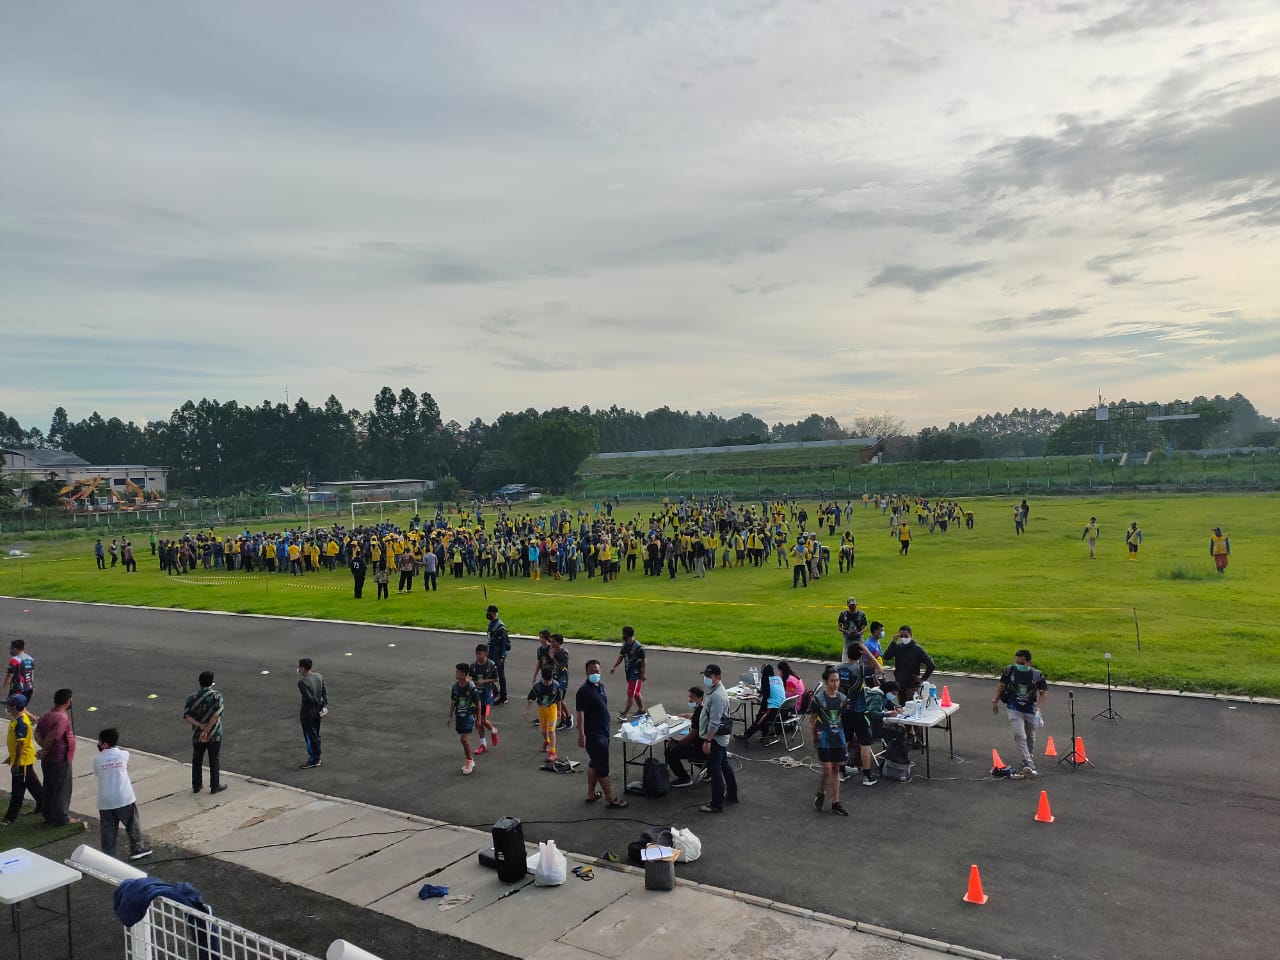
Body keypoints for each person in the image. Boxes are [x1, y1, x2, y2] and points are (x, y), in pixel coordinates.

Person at [93, 728, 151, 861]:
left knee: (108, 830)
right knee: (132, 824)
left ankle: (108, 855)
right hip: (124, 797)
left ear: (104, 744)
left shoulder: (97, 759)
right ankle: (137, 848)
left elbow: (97, 773)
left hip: (105, 800)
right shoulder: (124, 754)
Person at [575, 660, 626, 808]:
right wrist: (581, 734)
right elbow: (580, 714)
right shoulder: (583, 691)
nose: (595, 674)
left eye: (597, 671)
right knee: (602, 767)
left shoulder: (600, 686)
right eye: (592, 672)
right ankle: (610, 799)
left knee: (594, 763)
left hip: (603, 731)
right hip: (594, 736)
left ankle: (590, 793)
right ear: (586, 673)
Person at [992, 649, 1047, 777]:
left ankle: (1027, 756)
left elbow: (1043, 693)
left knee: (1030, 736)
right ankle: (1029, 764)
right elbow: (1002, 685)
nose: (1018, 666)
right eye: (1017, 662)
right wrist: (995, 700)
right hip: (1014, 708)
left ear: (1029, 663)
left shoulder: (1037, 675)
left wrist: (1039, 709)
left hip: (1030, 709)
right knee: (1019, 735)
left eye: (1021, 663)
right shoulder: (1009, 670)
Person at [35, 687, 83, 826]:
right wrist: (45, 749)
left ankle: (48, 814)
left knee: (49, 787)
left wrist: (43, 748)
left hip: (49, 759)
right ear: (68, 701)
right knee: (61, 789)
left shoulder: (46, 715)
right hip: (60, 759)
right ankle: (61, 817)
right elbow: (55, 736)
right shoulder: (62, 718)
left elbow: (37, 733)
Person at [837, 643, 880, 786]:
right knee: (864, 743)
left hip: (844, 710)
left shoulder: (837, 668)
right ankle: (867, 775)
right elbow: (879, 669)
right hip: (860, 710)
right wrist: (867, 652)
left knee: (845, 740)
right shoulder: (861, 669)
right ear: (860, 654)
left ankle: (841, 771)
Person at [697, 664, 739, 814]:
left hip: (715, 738)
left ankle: (716, 804)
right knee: (724, 766)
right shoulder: (715, 691)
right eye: (706, 675)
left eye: (710, 676)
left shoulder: (717, 696)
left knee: (715, 770)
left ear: (718, 677)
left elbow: (714, 722)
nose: (707, 678)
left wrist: (708, 741)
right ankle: (732, 794)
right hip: (717, 737)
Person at [809, 667, 849, 816]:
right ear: (826, 682)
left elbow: (843, 718)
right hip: (824, 738)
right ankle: (821, 792)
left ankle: (836, 802)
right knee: (826, 770)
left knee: (836, 770)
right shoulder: (818, 700)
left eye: (837, 680)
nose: (835, 683)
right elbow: (812, 720)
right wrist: (814, 736)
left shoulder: (843, 699)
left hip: (838, 738)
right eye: (832, 681)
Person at [882, 626, 935, 728]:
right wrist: (893, 643)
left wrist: (922, 678)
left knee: (915, 713)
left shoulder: (917, 649)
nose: (903, 638)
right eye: (901, 636)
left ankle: (917, 737)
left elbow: (931, 665)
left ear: (911, 635)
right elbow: (886, 656)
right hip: (900, 685)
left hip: (912, 686)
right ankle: (909, 735)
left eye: (906, 636)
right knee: (903, 713)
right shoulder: (898, 647)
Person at [183, 671, 226, 795]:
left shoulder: (192, 697)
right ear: (211, 681)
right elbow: (215, 716)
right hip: (214, 733)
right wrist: (207, 730)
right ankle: (214, 785)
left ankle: (196, 785)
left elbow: (187, 716)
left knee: (197, 759)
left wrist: (200, 726)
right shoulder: (216, 696)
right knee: (214, 760)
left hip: (197, 733)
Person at [3, 694, 42, 825]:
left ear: (14, 707)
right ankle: (44, 804)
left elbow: (20, 745)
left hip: (22, 762)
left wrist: (16, 762)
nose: (6, 707)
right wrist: (11, 757)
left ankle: (9, 818)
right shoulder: (18, 719)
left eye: (8, 705)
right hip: (23, 760)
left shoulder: (21, 723)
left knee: (17, 791)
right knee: (33, 785)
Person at [665, 686, 705, 787]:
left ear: (700, 699)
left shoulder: (698, 714)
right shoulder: (703, 710)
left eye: (692, 698)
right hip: (705, 745)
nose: (689, 699)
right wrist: (687, 715)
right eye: (689, 697)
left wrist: (677, 743)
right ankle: (707, 770)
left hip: (699, 748)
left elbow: (692, 736)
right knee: (680, 740)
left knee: (670, 751)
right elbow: (695, 716)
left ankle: (684, 778)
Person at [737, 664, 785, 744]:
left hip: (773, 708)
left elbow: (766, 695)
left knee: (759, 719)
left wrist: (761, 707)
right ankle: (765, 735)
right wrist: (757, 689)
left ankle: (746, 735)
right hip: (782, 707)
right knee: (761, 716)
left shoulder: (765, 679)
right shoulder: (778, 679)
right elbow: (769, 690)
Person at [448, 663, 480, 775]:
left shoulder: (471, 687)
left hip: (468, 716)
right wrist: (450, 715)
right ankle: (469, 759)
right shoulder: (455, 687)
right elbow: (453, 701)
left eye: (458, 672)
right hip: (459, 715)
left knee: (464, 739)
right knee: (462, 738)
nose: (456, 674)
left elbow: (478, 703)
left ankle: (469, 760)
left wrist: (478, 718)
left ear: (464, 674)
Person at [609, 626, 646, 720]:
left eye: (622, 633)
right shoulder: (625, 645)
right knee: (636, 693)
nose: (621, 635)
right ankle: (642, 710)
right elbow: (621, 656)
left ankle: (624, 714)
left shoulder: (638, 647)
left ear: (626, 634)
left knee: (630, 694)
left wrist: (643, 674)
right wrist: (614, 666)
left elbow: (643, 661)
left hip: (636, 674)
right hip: (629, 673)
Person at [297, 658, 328, 769]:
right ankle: (316, 756)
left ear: (302, 668)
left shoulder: (302, 682)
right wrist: (324, 706)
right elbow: (324, 692)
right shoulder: (319, 676)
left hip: (307, 713)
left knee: (310, 736)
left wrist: (318, 702)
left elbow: (309, 698)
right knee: (316, 734)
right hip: (318, 712)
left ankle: (315, 758)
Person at [526, 667, 562, 760]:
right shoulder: (537, 686)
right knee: (543, 730)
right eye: (546, 681)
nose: (548, 682)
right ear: (542, 678)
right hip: (542, 709)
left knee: (551, 730)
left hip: (552, 709)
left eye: (550, 680)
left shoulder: (556, 685)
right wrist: (528, 710)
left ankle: (552, 752)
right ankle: (546, 741)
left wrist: (559, 710)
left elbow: (558, 699)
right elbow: (531, 699)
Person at [469, 645, 499, 754]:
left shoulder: (491, 665)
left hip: (487, 697)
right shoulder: (473, 666)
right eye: (476, 653)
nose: (477, 656)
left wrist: (484, 681)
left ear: (485, 654)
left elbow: (496, 679)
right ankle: (483, 744)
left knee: (483, 719)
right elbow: (472, 679)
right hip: (477, 697)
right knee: (478, 721)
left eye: (480, 654)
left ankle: (493, 730)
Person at [485, 605, 511, 705]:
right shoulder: (491, 624)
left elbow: (503, 643)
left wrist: (502, 657)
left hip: (498, 655)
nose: (487, 614)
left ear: (494, 613)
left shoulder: (500, 627)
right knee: (488, 673)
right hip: (491, 652)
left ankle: (503, 696)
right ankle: (496, 693)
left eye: (489, 612)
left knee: (500, 675)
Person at [6, 639, 34, 704]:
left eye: (11, 648)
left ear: (15, 649)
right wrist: (32, 687)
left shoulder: (15, 660)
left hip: (18, 689)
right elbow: (31, 674)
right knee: (22, 708)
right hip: (29, 689)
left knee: (12, 709)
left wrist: (3, 690)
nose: (10, 650)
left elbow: (9, 676)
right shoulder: (31, 658)